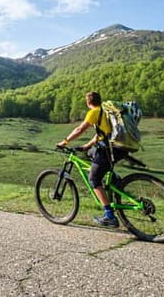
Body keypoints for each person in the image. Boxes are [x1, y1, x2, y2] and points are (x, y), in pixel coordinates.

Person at [56, 91, 123, 227]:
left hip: (108, 150)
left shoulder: (94, 112)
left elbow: (80, 129)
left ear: (88, 102)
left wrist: (65, 141)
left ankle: (109, 216)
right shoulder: (104, 112)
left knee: (93, 179)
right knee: (92, 153)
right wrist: (87, 146)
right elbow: (102, 134)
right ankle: (115, 181)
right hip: (118, 147)